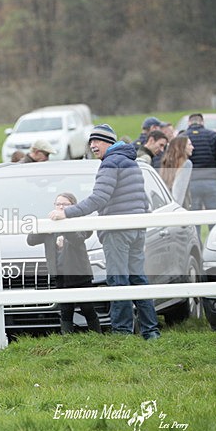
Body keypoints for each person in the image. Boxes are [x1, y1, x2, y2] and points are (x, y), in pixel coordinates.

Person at [49, 124, 160, 340]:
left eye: (96, 141)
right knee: (138, 280)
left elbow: (99, 198)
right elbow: (141, 200)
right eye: (90, 142)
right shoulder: (131, 162)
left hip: (118, 231)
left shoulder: (110, 163)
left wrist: (67, 213)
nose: (92, 146)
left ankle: (122, 334)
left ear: (108, 142)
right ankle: (151, 331)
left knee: (118, 282)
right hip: (136, 229)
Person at [28, 192, 101, 334]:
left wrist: (63, 226)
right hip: (60, 274)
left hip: (79, 273)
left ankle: (96, 335)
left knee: (87, 308)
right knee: (66, 310)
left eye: (65, 204)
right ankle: (67, 339)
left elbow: (78, 239)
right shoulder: (49, 224)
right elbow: (30, 240)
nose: (60, 207)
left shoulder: (80, 222)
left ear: (73, 206)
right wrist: (45, 227)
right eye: (58, 204)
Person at [184, 112, 216, 214]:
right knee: (215, 217)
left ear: (189, 123)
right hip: (212, 180)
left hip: (191, 182)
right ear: (202, 122)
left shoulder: (183, 137)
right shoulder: (214, 136)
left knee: (193, 219)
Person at [159, 135, 194, 207]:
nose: (192, 147)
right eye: (189, 144)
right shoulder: (186, 164)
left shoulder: (167, 163)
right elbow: (178, 192)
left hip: (166, 206)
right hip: (179, 208)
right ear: (182, 147)